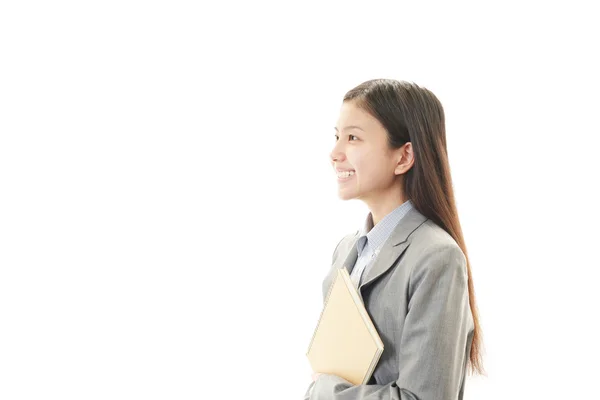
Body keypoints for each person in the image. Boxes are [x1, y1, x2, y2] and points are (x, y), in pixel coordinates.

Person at [304, 79, 485, 400]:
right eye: (336, 137)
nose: (335, 153)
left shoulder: (436, 256)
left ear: (403, 157)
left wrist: (325, 390)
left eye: (353, 138)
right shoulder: (347, 251)